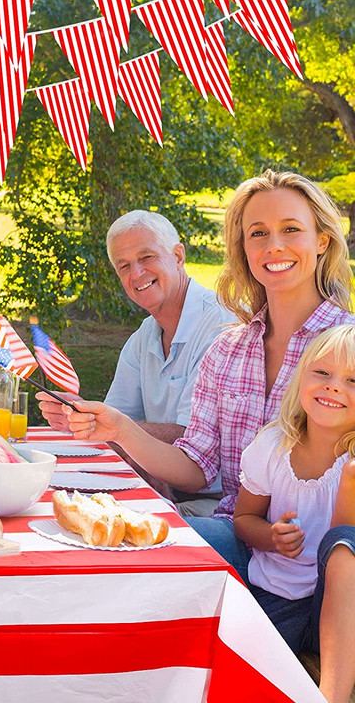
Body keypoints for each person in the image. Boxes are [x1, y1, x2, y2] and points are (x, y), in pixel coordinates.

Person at [63, 170, 355, 581]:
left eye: (291, 229)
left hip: (322, 562)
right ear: (244, 248)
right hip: (236, 536)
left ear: (321, 240)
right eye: (257, 233)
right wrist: (123, 430)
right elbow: (196, 468)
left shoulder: (349, 348)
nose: (274, 246)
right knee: (114, 548)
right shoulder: (227, 348)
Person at [37, 210, 230, 512]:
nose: (136, 273)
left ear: (178, 256)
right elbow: (117, 423)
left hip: (215, 507)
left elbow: (190, 437)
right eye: (124, 265)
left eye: (147, 257)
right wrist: (82, 417)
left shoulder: (220, 325)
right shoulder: (144, 336)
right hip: (161, 490)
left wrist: (108, 425)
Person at [234, 325, 355, 703]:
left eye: (353, 379)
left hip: (338, 610)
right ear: (300, 375)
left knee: (340, 543)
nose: (334, 386)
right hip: (276, 596)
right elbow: (242, 520)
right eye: (322, 372)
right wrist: (270, 536)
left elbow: (343, 548)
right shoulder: (272, 445)